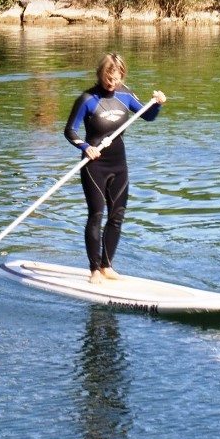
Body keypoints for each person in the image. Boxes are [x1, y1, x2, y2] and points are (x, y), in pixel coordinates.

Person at [64, 53, 167, 284]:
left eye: (116, 76)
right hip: (94, 165)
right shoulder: (87, 99)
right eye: (107, 76)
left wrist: (157, 104)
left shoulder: (125, 96)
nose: (111, 81)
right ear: (100, 74)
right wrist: (85, 146)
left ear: (122, 75)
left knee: (117, 215)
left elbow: (147, 115)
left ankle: (107, 266)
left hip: (119, 164)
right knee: (96, 214)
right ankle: (94, 270)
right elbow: (70, 130)